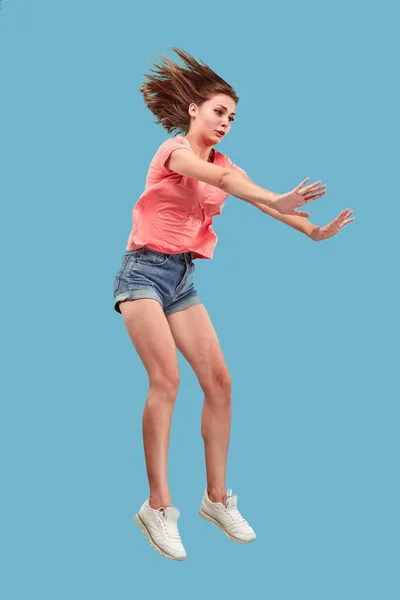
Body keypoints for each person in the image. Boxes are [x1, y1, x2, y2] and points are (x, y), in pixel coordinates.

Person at [113, 47, 355, 561]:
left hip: (180, 280)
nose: (226, 122)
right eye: (219, 111)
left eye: (233, 117)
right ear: (195, 111)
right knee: (166, 379)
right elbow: (223, 184)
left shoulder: (228, 163)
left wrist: (310, 229)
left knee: (219, 382)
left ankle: (217, 500)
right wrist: (276, 196)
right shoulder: (174, 152)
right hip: (142, 273)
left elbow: (240, 188)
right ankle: (157, 507)